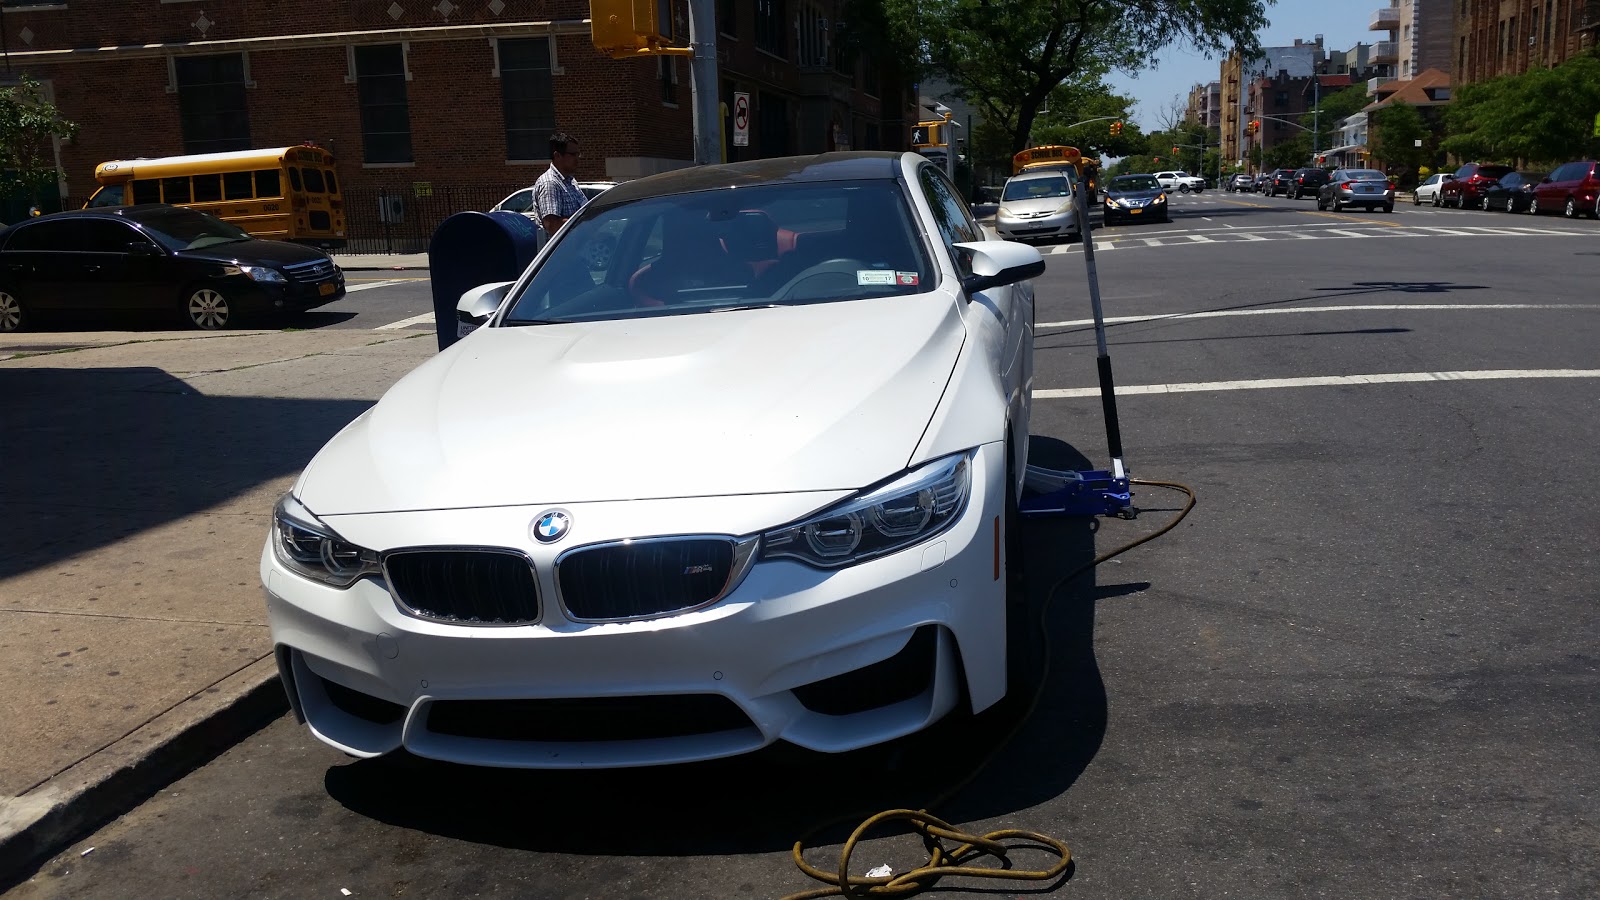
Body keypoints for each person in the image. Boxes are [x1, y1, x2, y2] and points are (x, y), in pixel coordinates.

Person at [533, 131, 587, 237]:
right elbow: (552, 226)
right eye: (572, 154)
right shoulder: (550, 184)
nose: (577, 158)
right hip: (561, 251)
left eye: (578, 154)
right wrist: (585, 223)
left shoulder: (570, 181)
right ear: (557, 155)